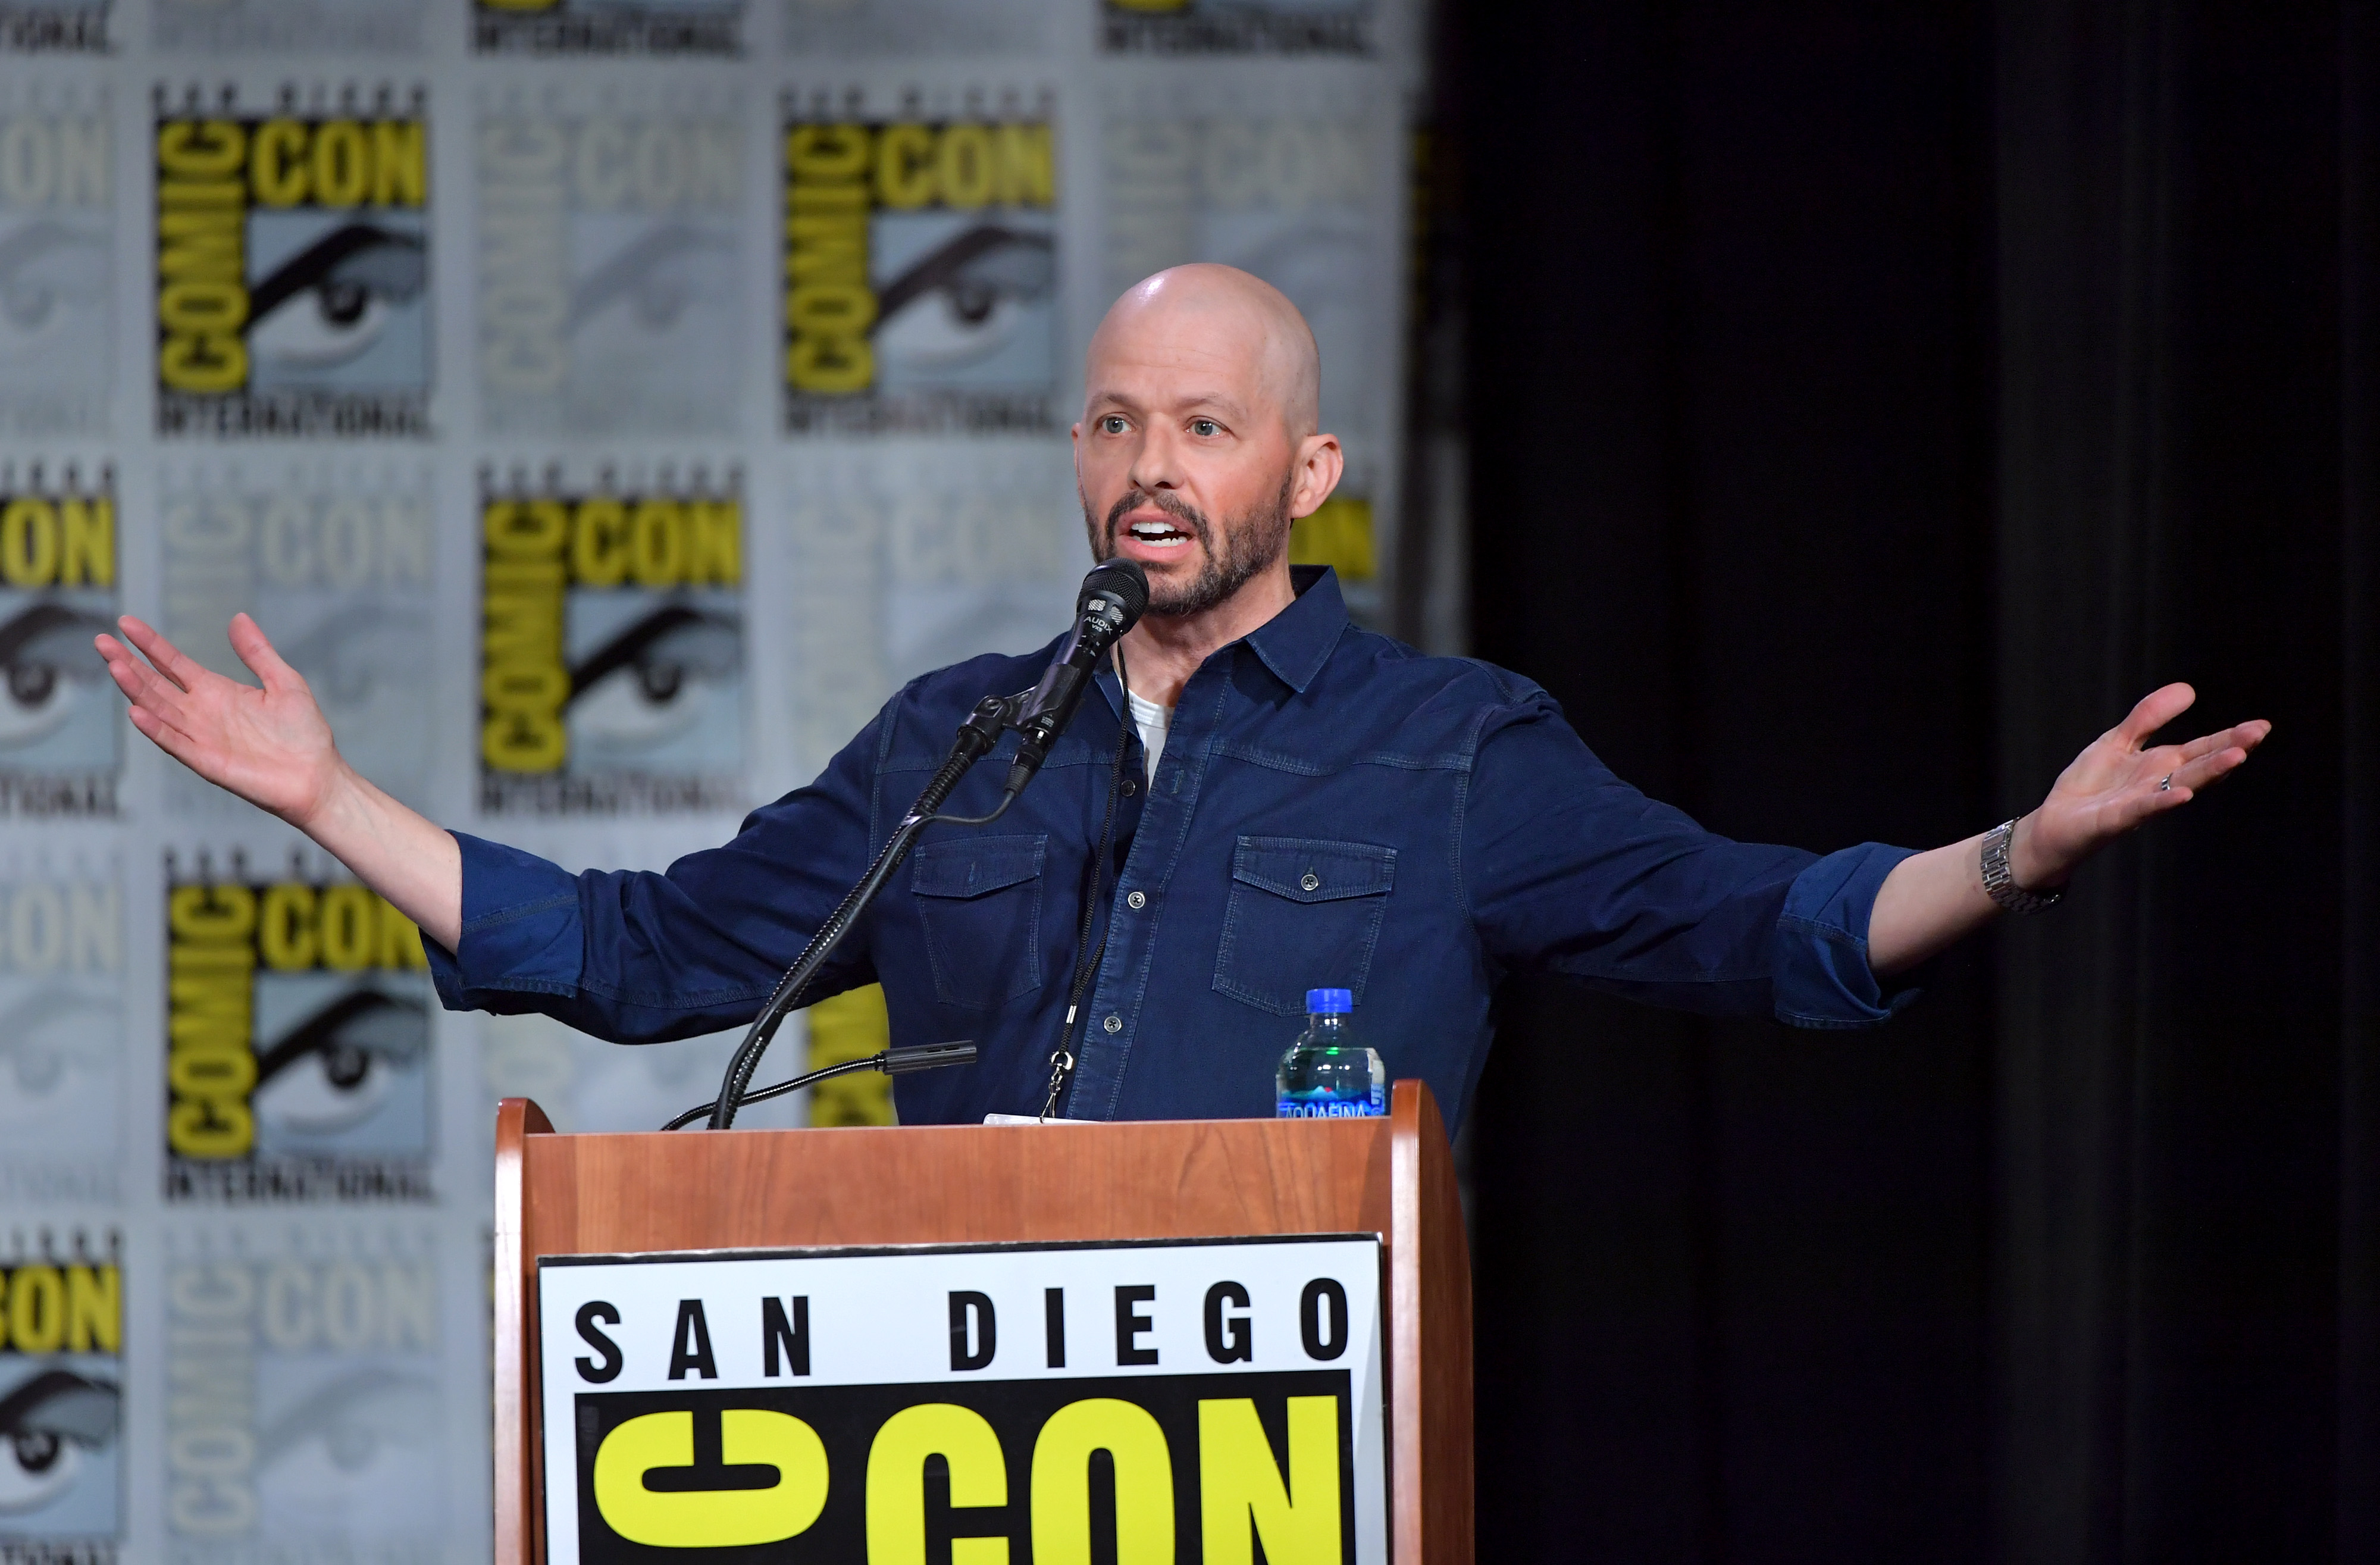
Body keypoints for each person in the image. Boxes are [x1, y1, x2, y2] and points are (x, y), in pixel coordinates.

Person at [95, 264, 2269, 1128]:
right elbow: (649, 957)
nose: (1156, 465)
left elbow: (1764, 923)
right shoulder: (958, 741)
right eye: (1121, 422)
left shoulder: (1455, 749)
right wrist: (326, 798)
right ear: (1079, 454)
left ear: (1303, 472)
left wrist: (2019, 851)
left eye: (1208, 428)